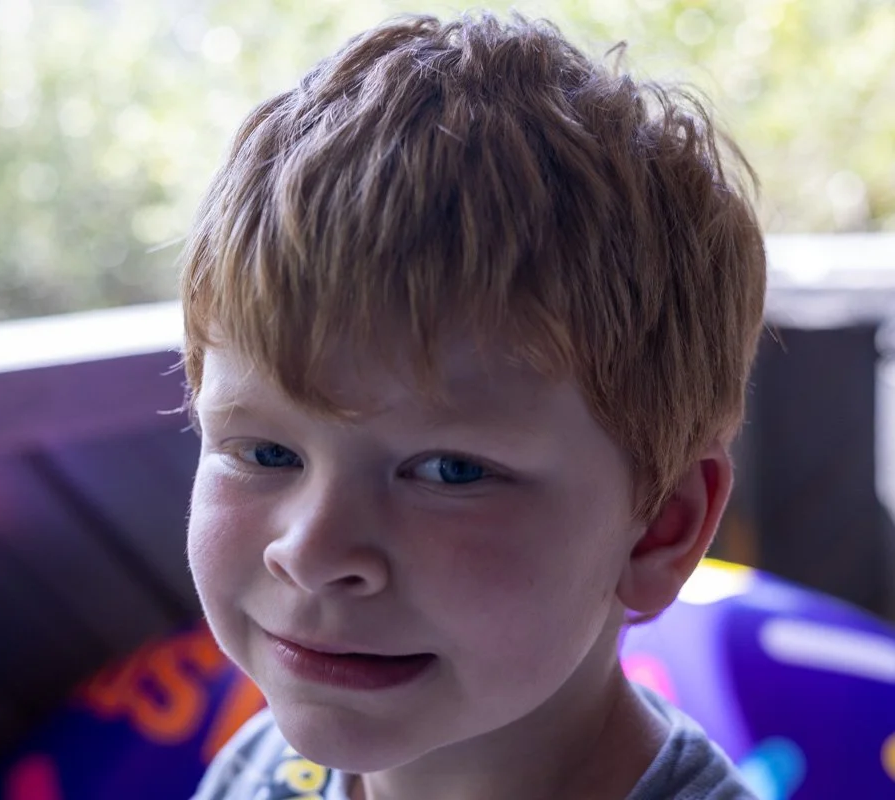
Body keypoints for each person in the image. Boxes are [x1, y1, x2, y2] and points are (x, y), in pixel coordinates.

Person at [180, 11, 765, 800]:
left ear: (660, 527)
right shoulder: (259, 775)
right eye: (265, 453)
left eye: (450, 471)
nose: (313, 553)